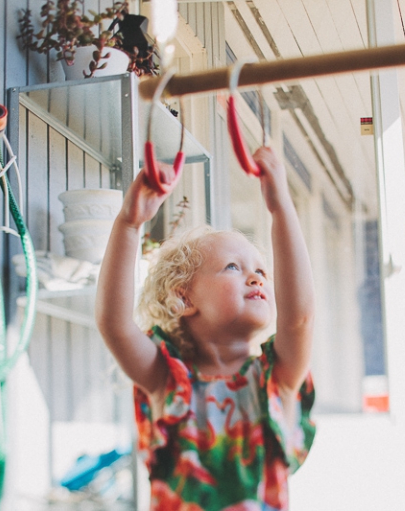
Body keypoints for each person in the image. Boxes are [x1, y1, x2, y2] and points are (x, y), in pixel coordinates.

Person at [96, 146, 316, 511]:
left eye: (261, 270)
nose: (256, 278)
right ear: (184, 298)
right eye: (233, 267)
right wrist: (129, 224)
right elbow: (114, 324)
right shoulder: (166, 379)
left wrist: (281, 208)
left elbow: (299, 316)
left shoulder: (277, 379)